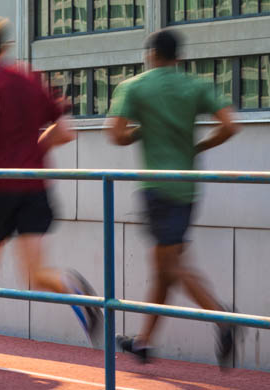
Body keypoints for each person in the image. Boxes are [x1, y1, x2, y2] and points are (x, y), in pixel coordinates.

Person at [0, 17, 103, 386]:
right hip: (33, 187)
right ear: (4, 46)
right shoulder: (29, 78)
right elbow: (64, 132)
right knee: (35, 273)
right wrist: (31, 149)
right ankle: (68, 285)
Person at [105, 29, 239, 366]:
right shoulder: (195, 86)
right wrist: (201, 146)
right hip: (189, 187)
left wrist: (141, 129)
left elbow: (116, 135)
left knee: (170, 265)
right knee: (163, 267)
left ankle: (222, 317)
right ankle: (143, 341)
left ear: (151, 54)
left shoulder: (134, 86)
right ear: (178, 57)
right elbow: (229, 125)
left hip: (157, 188)